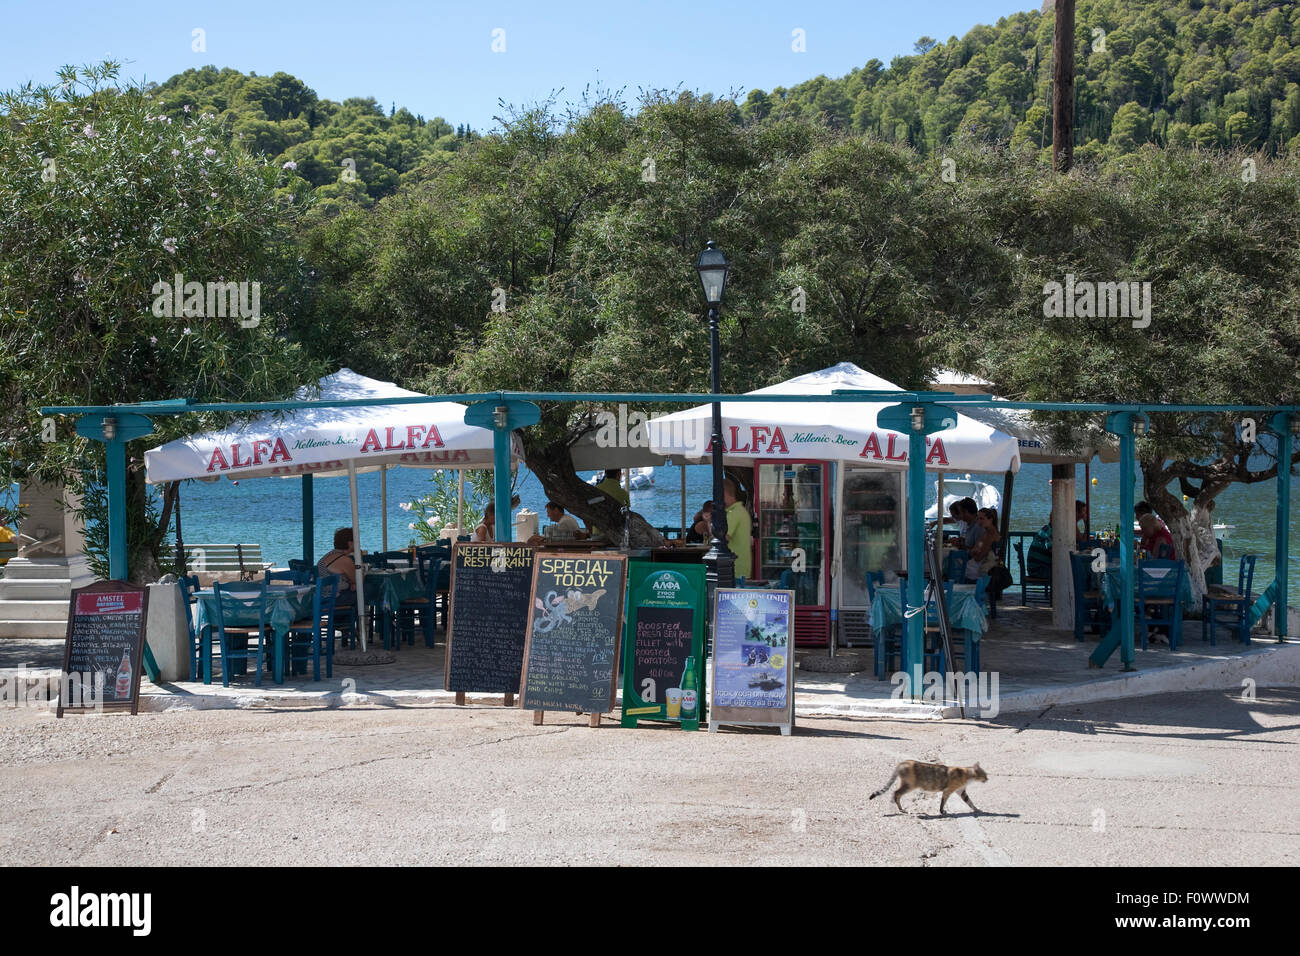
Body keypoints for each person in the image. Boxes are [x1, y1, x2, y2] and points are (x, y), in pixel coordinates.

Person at [317, 527, 359, 607]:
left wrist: (353, 583)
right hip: (334, 597)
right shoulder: (345, 560)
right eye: (356, 541)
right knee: (368, 590)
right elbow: (359, 580)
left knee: (358, 590)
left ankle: (346, 618)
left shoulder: (329, 555)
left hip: (321, 596)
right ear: (350, 544)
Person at [723, 478, 752, 582]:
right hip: (742, 566)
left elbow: (723, 538)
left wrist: (710, 523)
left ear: (723, 493)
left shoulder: (734, 513)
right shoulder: (741, 510)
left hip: (735, 568)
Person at [965, 507, 1002, 581]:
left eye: (981, 519)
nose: (979, 521)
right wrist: (974, 551)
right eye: (978, 519)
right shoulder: (986, 533)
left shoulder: (991, 535)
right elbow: (975, 550)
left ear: (990, 519)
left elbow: (979, 557)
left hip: (983, 570)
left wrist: (974, 552)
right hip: (980, 567)